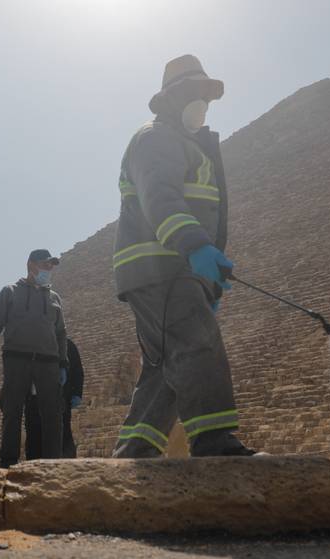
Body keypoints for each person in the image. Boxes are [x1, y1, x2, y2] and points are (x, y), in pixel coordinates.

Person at [112, 54, 257, 458]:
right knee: (197, 343)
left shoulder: (188, 144)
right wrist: (195, 247)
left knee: (165, 366)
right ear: (171, 98)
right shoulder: (156, 138)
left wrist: (208, 270)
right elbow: (161, 198)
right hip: (161, 264)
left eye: (207, 96)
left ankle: (135, 449)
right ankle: (214, 441)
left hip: (172, 266)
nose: (203, 104)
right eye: (195, 94)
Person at [0, 249, 68, 468]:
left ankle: (53, 464)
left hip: (48, 360)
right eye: (44, 265)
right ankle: (7, 461)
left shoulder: (54, 297)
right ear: (31, 265)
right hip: (16, 358)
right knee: (12, 411)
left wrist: (63, 363)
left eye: (51, 266)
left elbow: (61, 333)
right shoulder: (10, 292)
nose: (48, 269)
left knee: (53, 414)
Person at [25, 337, 84, 460]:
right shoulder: (29, 344)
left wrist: (77, 393)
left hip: (61, 398)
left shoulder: (67, 345)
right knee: (34, 437)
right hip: (34, 401)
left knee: (63, 435)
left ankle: (66, 470)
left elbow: (77, 370)